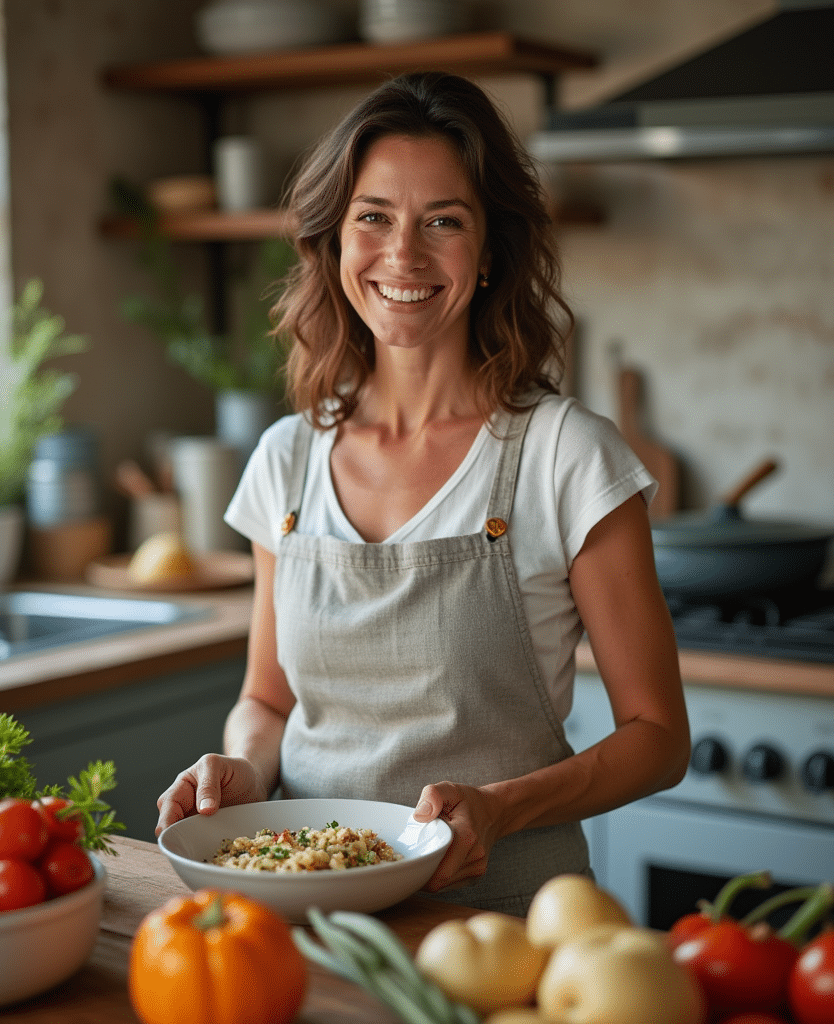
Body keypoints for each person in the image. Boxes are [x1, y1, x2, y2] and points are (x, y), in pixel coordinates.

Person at [155, 71, 690, 915]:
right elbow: (267, 699)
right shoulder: (284, 459)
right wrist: (244, 769)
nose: (403, 255)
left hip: (507, 926)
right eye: (374, 217)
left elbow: (659, 740)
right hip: (309, 923)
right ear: (336, 242)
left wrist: (501, 807)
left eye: (443, 221)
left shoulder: (567, 457)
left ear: (489, 254)